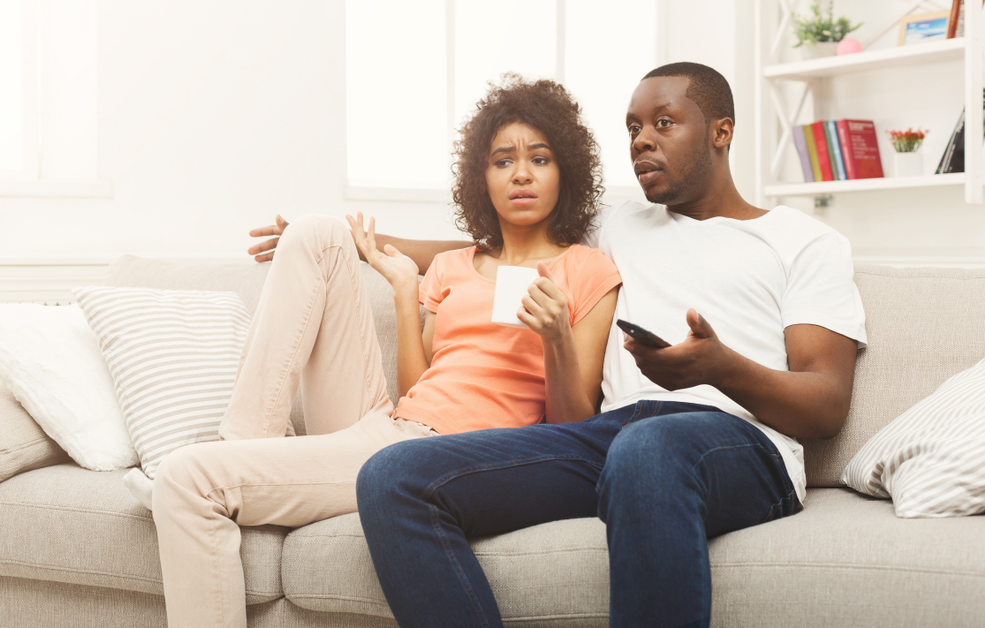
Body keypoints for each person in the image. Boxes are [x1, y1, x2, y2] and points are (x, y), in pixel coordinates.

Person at [354, 62, 868, 628]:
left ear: (722, 131)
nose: (642, 140)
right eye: (632, 128)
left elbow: (826, 404)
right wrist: (343, 240)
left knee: (647, 450)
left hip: (740, 443)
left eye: (664, 123)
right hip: (608, 439)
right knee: (393, 477)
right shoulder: (615, 227)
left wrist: (719, 368)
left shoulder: (803, 241)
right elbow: (498, 244)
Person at [149, 76, 621, 628]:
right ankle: (245, 448)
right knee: (318, 231)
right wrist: (403, 294)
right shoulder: (450, 266)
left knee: (186, 478)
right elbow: (414, 390)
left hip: (456, 458)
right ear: (481, 178)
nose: (521, 173)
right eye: (502, 161)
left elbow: (573, 430)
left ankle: (232, 464)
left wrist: (556, 337)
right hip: (391, 427)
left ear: (565, 170)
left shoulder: (585, 270)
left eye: (539, 159)